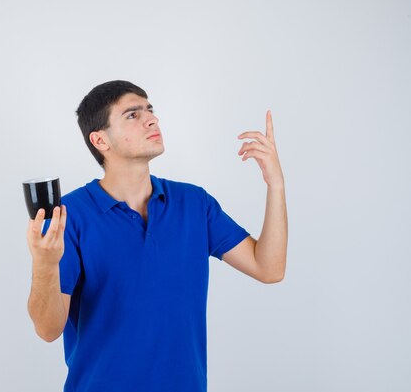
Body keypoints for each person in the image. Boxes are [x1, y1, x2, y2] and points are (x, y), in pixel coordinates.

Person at [26, 80, 288, 392]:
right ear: (100, 140)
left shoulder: (194, 204)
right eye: (132, 115)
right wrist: (45, 264)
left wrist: (276, 185)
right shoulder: (70, 214)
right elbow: (48, 329)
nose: (152, 119)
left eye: (150, 110)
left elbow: (269, 268)